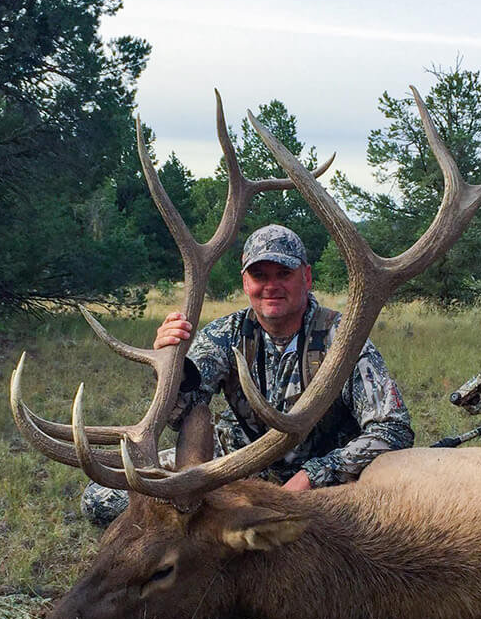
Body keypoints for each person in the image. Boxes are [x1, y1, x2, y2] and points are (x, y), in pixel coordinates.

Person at [81, 224, 413, 525]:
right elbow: (183, 414)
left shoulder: (344, 337)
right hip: (238, 464)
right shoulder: (225, 334)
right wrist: (173, 368)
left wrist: (314, 474)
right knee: (101, 498)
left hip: (323, 481)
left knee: (377, 518)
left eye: (284, 273)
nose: (271, 286)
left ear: (307, 278)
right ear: (245, 283)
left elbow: (393, 429)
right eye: (260, 275)